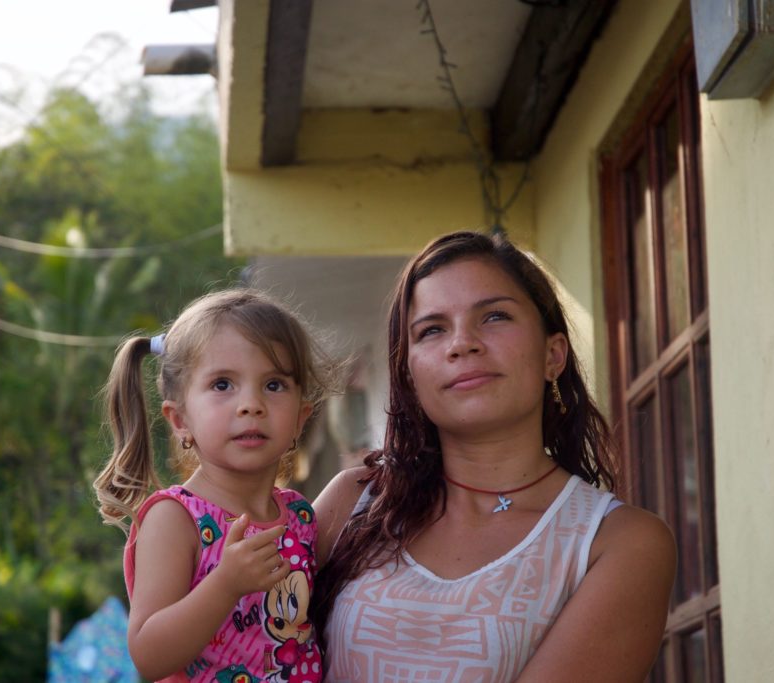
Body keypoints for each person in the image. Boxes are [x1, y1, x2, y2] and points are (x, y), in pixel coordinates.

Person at [312, 231, 676, 682]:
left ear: (553, 354)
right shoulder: (357, 501)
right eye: (432, 330)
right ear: (410, 374)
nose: (462, 343)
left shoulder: (615, 542)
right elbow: (236, 637)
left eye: (494, 317)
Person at [94, 289, 333, 683]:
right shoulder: (175, 518)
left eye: (273, 385)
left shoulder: (300, 516)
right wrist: (226, 584)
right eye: (223, 385)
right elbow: (149, 655)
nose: (251, 404)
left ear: (300, 418)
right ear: (179, 420)